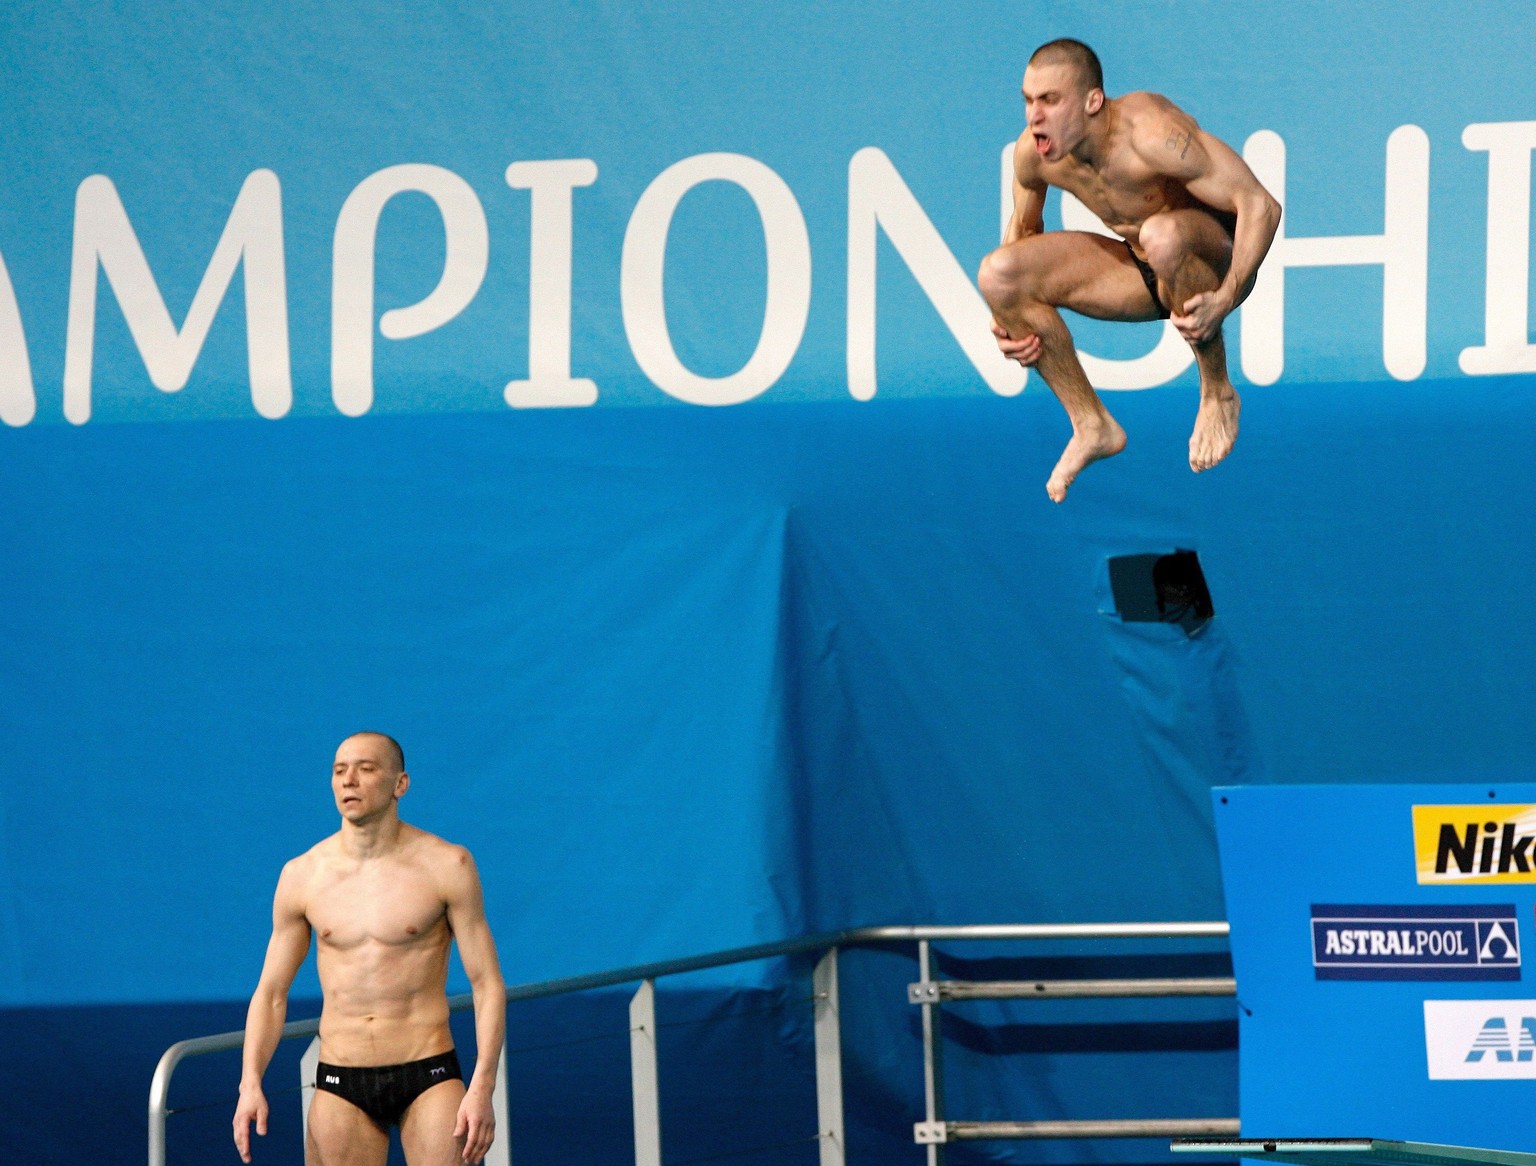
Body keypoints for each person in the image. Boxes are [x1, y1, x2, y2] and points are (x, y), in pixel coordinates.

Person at [978, 38, 1281, 501]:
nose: (1034, 116)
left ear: (1093, 101)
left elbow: (1259, 205)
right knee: (998, 273)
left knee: (1164, 234)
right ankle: (1091, 424)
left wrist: (1225, 298)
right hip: (1144, 272)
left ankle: (1217, 389)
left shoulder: (1152, 134)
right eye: (1029, 100)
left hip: (1215, 262)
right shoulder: (1034, 155)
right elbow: (1022, 232)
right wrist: (1008, 318)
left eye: (1050, 100)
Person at [233, 732, 506, 1166]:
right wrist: (250, 1082)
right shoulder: (303, 875)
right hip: (342, 1078)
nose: (349, 781)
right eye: (339, 771)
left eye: (366, 768)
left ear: (401, 784)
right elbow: (271, 993)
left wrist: (483, 1086)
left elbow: (486, 984)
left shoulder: (446, 865)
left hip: (428, 1070)